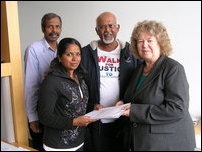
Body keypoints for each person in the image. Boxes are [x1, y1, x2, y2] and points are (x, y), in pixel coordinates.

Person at [122, 20, 196, 151]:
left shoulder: (173, 69)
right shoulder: (139, 69)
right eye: (140, 41)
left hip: (167, 143)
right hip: (143, 140)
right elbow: (135, 99)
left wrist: (134, 111)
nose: (144, 45)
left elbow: (177, 109)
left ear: (160, 43)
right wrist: (123, 104)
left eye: (149, 40)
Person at [81, 12, 141, 151]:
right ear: (97, 31)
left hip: (123, 119)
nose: (107, 30)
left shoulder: (132, 53)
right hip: (96, 120)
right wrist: (91, 106)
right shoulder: (85, 53)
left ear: (118, 28)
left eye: (111, 26)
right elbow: (77, 86)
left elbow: (140, 83)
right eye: (102, 27)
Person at [38, 38, 97, 151]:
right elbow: (44, 116)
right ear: (60, 57)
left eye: (78, 54)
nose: (75, 59)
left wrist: (93, 107)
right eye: (69, 54)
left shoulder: (80, 78)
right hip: (58, 146)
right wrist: (74, 122)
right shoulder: (51, 81)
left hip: (79, 142)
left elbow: (76, 105)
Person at [24, 12, 62, 150]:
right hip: (41, 109)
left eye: (57, 27)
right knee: (41, 146)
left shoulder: (63, 50)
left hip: (59, 111)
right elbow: (31, 85)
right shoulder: (34, 49)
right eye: (50, 27)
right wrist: (32, 117)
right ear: (43, 29)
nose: (54, 31)